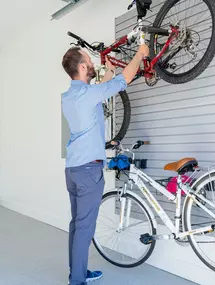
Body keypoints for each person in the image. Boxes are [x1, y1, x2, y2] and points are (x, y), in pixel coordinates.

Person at [61, 44, 149, 285]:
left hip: (73, 170)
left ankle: (76, 273)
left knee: (77, 225)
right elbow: (125, 79)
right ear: (81, 67)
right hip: (89, 171)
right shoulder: (89, 95)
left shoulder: (69, 97)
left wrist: (106, 73)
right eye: (88, 62)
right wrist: (141, 53)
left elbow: (98, 90)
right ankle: (77, 281)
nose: (91, 64)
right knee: (85, 229)